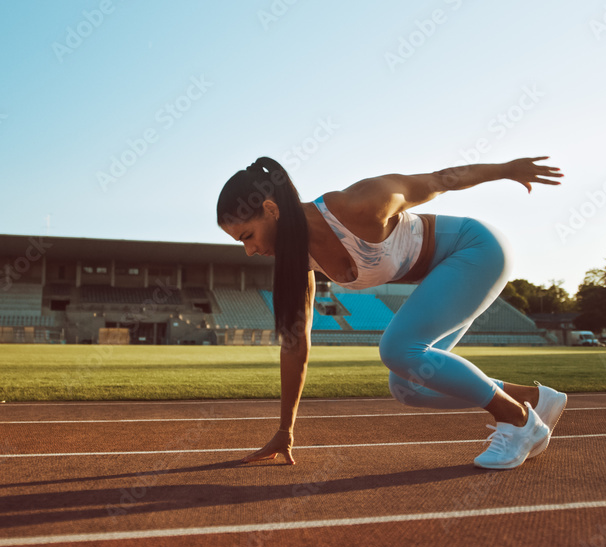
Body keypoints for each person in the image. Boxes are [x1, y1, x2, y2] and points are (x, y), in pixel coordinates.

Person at [217, 156, 568, 470]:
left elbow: (439, 179)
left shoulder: (357, 204)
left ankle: (519, 421)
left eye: (247, 235)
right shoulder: (298, 262)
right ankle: (535, 399)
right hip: (442, 276)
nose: (249, 251)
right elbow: (296, 346)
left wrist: (506, 169)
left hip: (476, 248)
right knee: (407, 387)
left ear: (271, 209)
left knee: (397, 349)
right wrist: (284, 430)